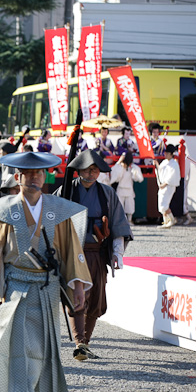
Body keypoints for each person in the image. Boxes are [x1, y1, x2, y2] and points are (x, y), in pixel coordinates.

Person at [0, 151, 91, 392]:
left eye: (40, 174)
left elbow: (72, 251)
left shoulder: (57, 211)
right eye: (29, 174)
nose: (35, 178)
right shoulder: (4, 211)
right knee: (16, 344)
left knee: (40, 346)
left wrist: (77, 286)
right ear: (18, 177)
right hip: (15, 285)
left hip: (47, 287)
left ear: (45, 177)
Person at [58, 149, 133, 360]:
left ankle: (86, 343)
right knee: (76, 297)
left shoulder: (107, 193)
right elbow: (51, 221)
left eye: (94, 170)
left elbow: (118, 223)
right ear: (78, 170)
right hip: (72, 252)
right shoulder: (65, 191)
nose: (90, 174)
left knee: (97, 299)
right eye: (86, 170)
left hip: (97, 252)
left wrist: (117, 252)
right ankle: (79, 341)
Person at [109, 151, 144, 224]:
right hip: (120, 188)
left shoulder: (134, 167)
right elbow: (114, 178)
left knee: (130, 206)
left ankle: (129, 220)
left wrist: (134, 173)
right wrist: (120, 164)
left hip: (129, 189)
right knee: (119, 206)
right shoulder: (118, 166)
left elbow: (140, 179)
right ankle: (119, 221)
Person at [157, 144, 181, 228]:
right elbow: (160, 170)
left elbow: (172, 175)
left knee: (164, 204)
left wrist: (165, 183)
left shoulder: (174, 164)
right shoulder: (165, 162)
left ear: (171, 154)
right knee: (161, 204)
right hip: (163, 185)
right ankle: (166, 221)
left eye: (167, 153)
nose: (165, 154)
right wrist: (156, 163)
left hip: (169, 186)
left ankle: (171, 219)